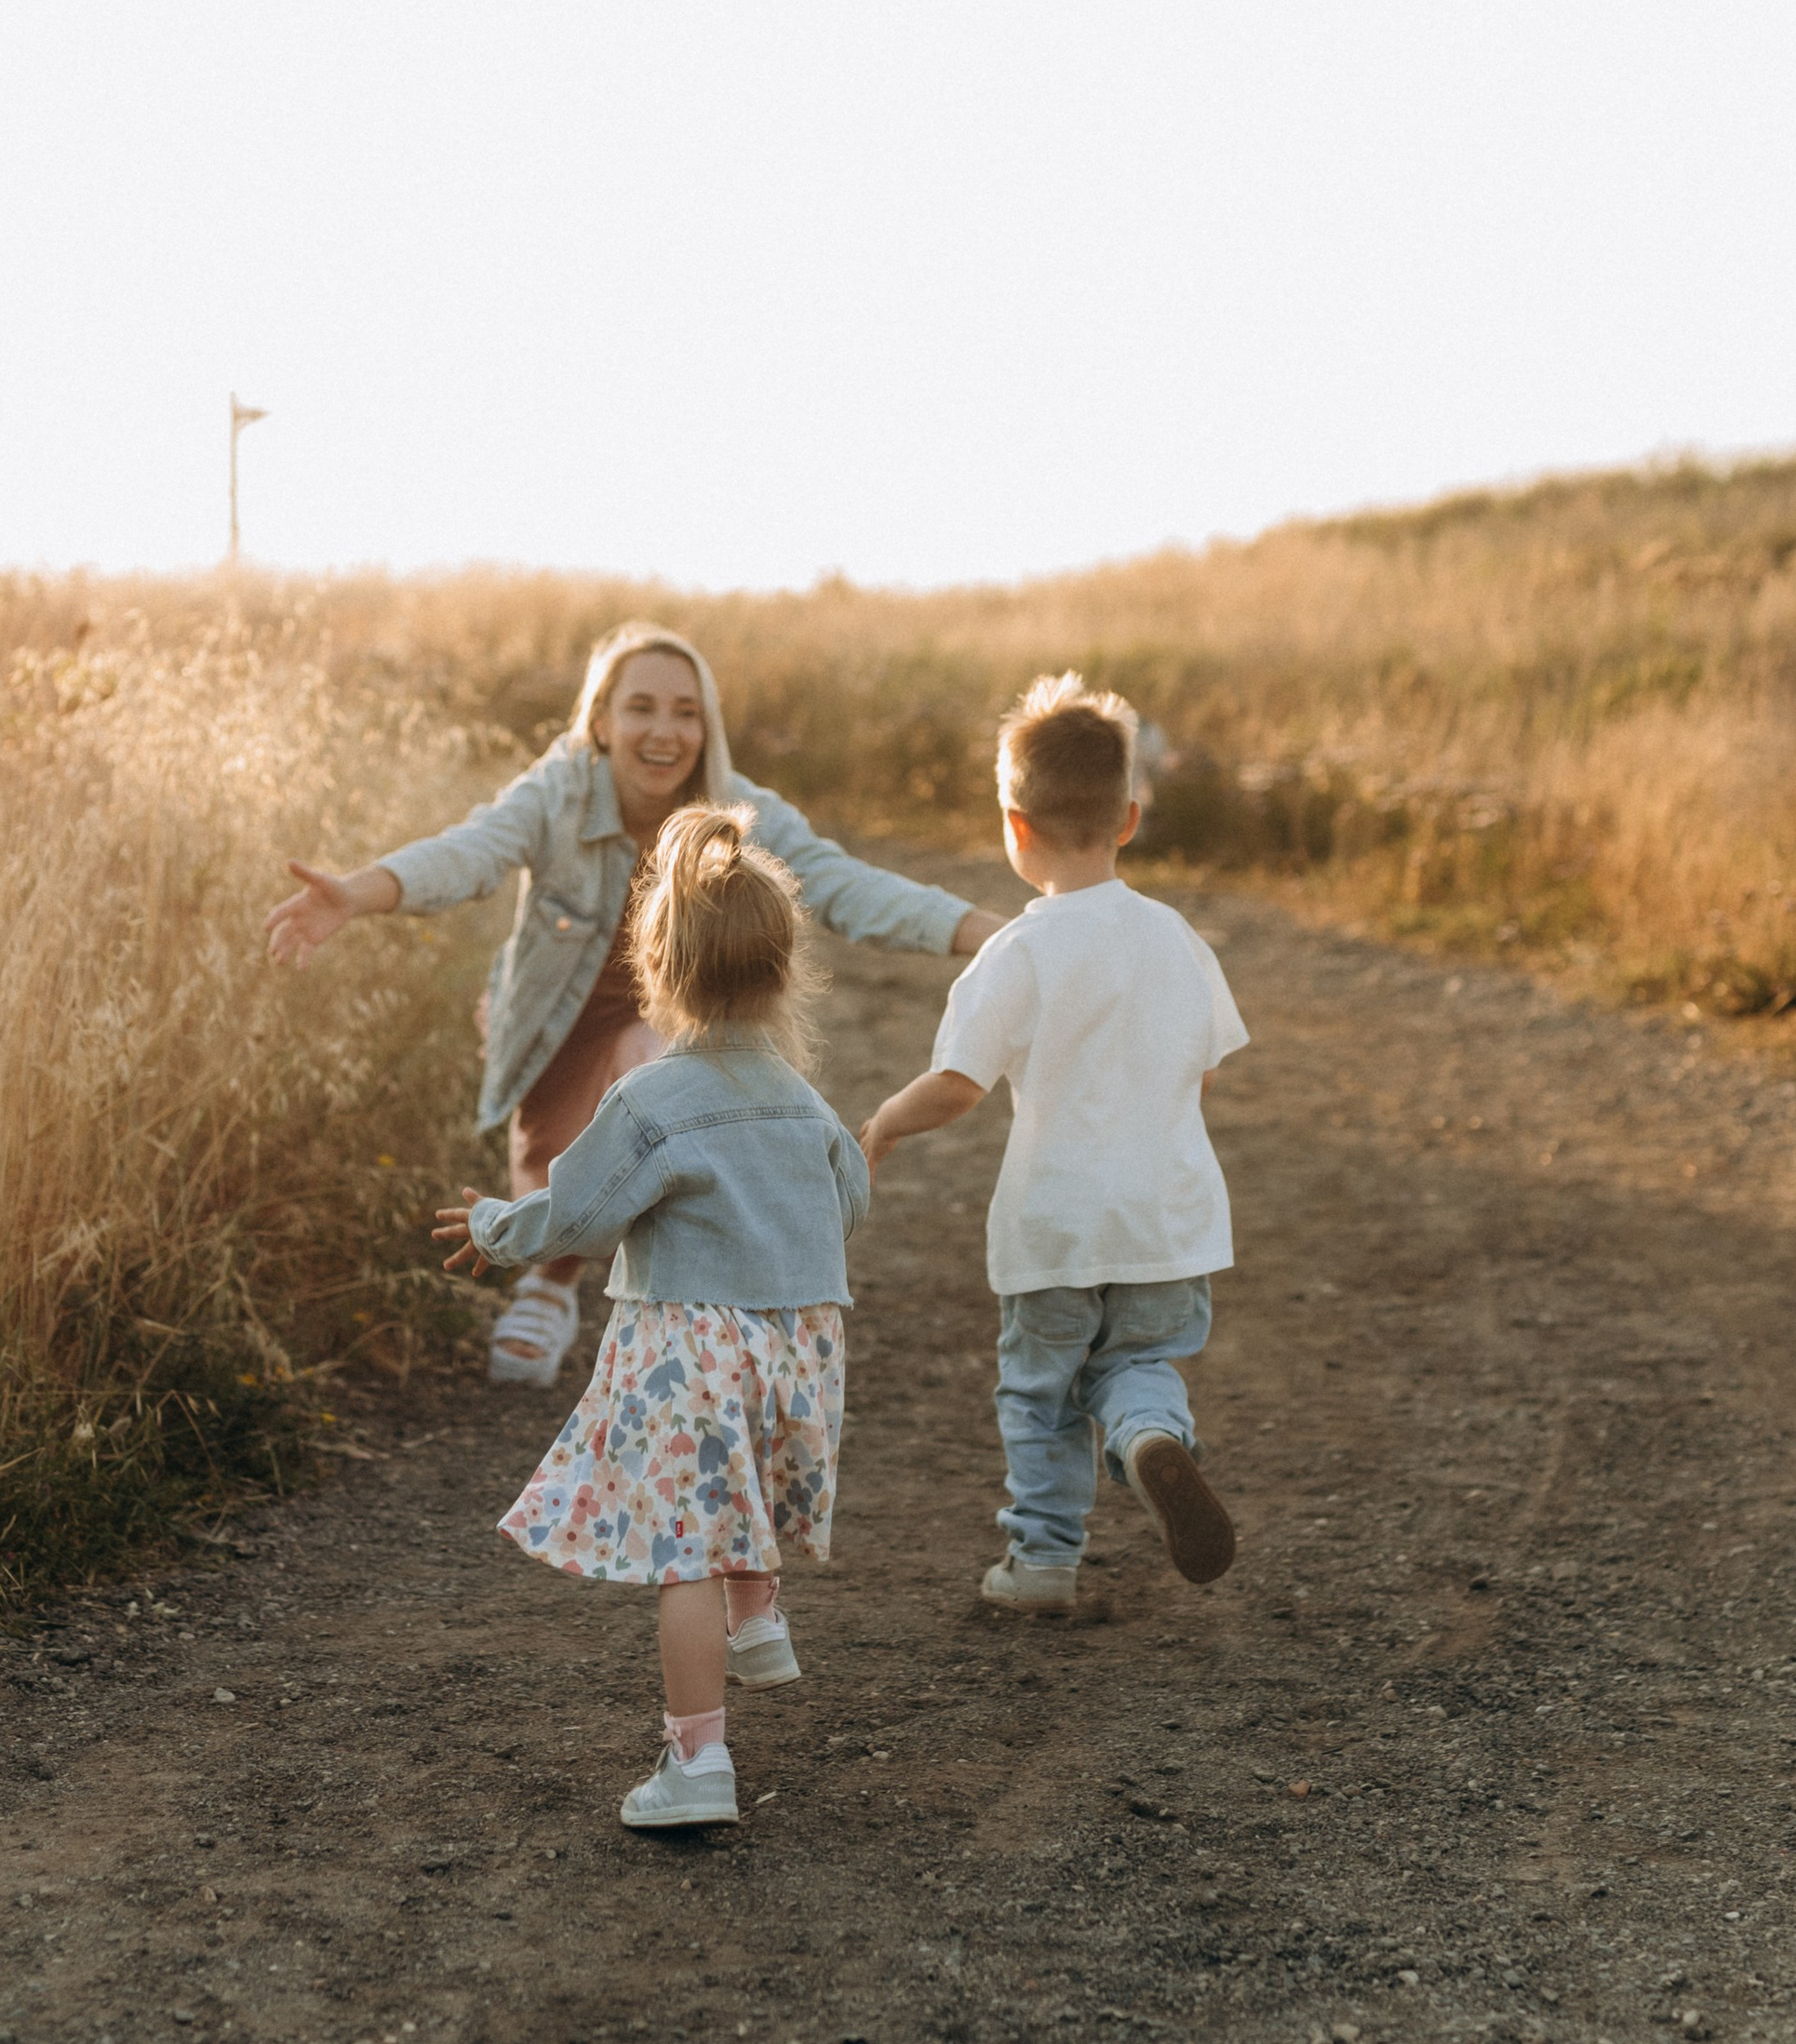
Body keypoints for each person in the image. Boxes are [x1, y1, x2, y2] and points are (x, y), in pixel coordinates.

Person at [265, 623, 998, 1384]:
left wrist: (990, 932)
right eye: (641, 707)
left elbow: (844, 884)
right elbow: (471, 850)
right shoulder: (559, 791)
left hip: (674, 1030)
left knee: (663, 1076)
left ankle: (668, 1296)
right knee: (564, 1181)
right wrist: (356, 894)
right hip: (556, 1026)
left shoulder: (736, 806)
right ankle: (555, 1280)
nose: (664, 731)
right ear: (602, 720)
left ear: (705, 726)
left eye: (686, 711)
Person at [434, 802, 866, 1832]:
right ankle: (757, 1617)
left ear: (656, 967)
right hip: (801, 1339)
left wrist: (497, 1227)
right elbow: (848, 1201)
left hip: (690, 1344)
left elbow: (577, 1210)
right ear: (782, 968)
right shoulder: (808, 1104)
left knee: (684, 1546)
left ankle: (699, 1760)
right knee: (744, 1483)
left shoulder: (649, 1099)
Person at [860, 673, 1247, 1613]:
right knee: (1135, 1365)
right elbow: (1201, 1068)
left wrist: (881, 1122)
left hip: (1054, 1226)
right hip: (1163, 1214)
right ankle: (1150, 1433)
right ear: (1129, 816)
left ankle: (1041, 1560)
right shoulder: (1177, 938)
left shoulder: (1017, 953)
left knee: (1041, 1392)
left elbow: (958, 1085)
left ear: (1013, 824)